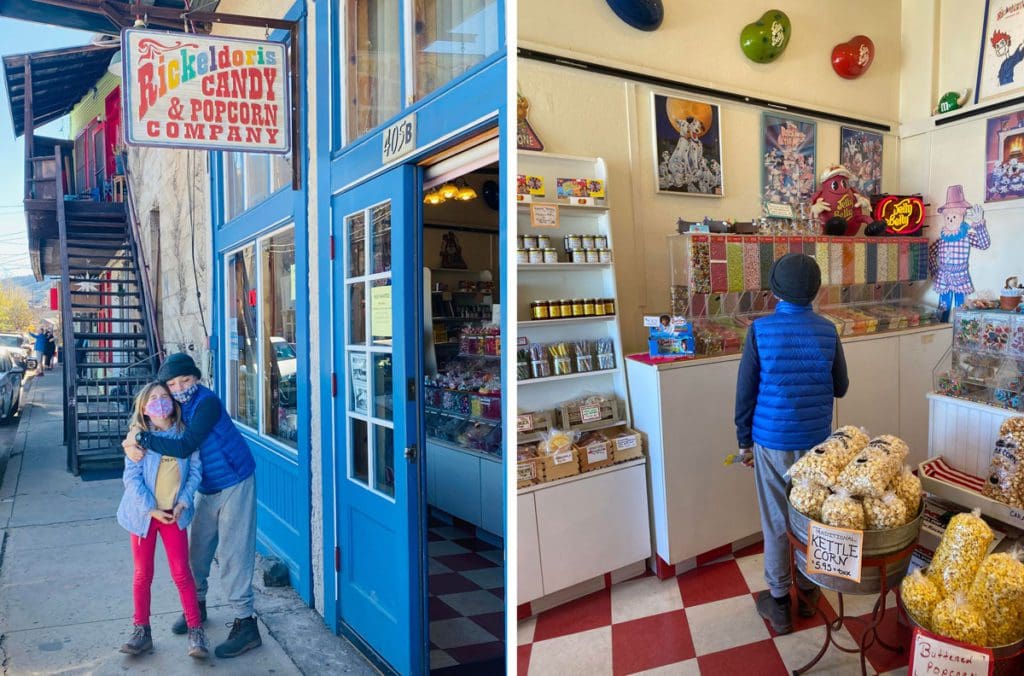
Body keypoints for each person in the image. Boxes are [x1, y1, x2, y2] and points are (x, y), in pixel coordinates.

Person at [734, 253, 849, 635]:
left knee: (776, 520)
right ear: (816, 290)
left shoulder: (760, 331)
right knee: (812, 517)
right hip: (817, 444)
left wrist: (743, 442)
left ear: (775, 289)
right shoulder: (828, 330)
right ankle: (810, 591)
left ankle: (779, 603)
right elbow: (841, 387)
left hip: (772, 441)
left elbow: (746, 392)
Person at [122, 353, 261, 658]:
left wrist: (141, 438)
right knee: (197, 551)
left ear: (197, 378)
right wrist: (133, 436)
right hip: (206, 487)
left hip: (235, 479)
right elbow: (149, 419)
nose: (180, 386)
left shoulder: (206, 402)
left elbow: (185, 447)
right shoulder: (176, 408)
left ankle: (246, 623)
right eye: (172, 383)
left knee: (233, 554)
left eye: (186, 379)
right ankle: (195, 609)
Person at [116, 381, 209, 659]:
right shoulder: (138, 438)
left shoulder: (185, 436)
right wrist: (150, 509)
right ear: (144, 409)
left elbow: (195, 471)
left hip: (173, 515)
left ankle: (196, 630)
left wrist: (184, 501)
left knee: (182, 573)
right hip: (144, 517)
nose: (159, 401)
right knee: (143, 574)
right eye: (152, 398)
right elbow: (130, 479)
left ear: (172, 403)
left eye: (163, 396)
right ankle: (141, 630)